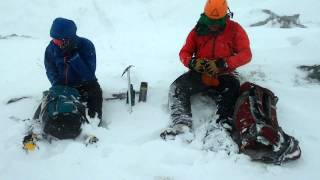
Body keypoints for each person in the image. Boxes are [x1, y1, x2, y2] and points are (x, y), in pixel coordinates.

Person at [161, 0, 252, 139]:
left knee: (232, 93)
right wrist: (192, 63)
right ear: (205, 17)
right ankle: (181, 125)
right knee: (177, 88)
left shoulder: (235, 30)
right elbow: (184, 53)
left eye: (218, 21)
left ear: (226, 17)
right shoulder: (197, 31)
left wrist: (223, 64)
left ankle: (221, 127)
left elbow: (246, 54)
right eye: (210, 21)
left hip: (225, 75)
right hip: (200, 74)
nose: (214, 25)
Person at [44, 17, 103, 120]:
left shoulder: (86, 46)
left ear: (68, 39)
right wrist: (58, 86)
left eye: (58, 41)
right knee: (52, 111)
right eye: (54, 39)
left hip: (85, 85)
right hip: (63, 86)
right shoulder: (51, 49)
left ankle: (92, 126)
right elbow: (50, 70)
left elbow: (89, 75)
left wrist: (74, 58)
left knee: (94, 103)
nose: (55, 43)